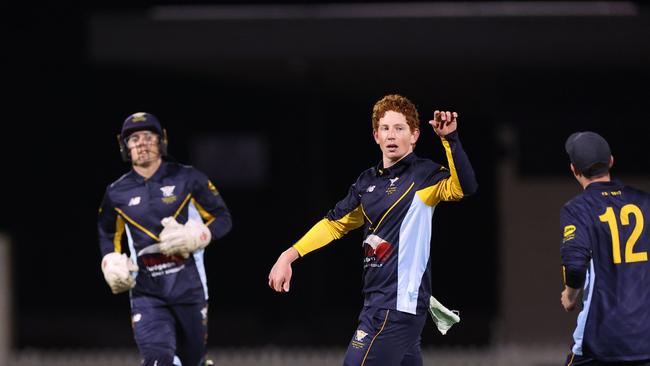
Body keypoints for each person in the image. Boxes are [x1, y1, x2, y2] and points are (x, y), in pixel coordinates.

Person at [268, 94, 478, 366]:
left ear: (414, 135)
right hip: (377, 304)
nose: (392, 135)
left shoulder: (423, 176)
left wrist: (450, 139)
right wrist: (289, 255)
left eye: (400, 128)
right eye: (385, 128)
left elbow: (466, 187)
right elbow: (333, 225)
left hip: (395, 308)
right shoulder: (366, 182)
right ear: (375, 135)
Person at [97, 112, 232, 366]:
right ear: (124, 146)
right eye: (133, 138)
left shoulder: (189, 179)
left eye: (148, 136)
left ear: (162, 141)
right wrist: (109, 261)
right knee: (158, 359)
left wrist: (199, 235)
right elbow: (106, 232)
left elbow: (223, 218)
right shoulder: (115, 193)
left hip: (190, 289)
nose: (141, 143)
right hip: (147, 294)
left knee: (194, 362)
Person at [560, 131, 650, 365]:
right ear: (611, 161)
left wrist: (569, 296)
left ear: (574, 170)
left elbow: (576, 266)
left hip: (601, 340)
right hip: (644, 338)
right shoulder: (644, 202)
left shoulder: (578, 209)